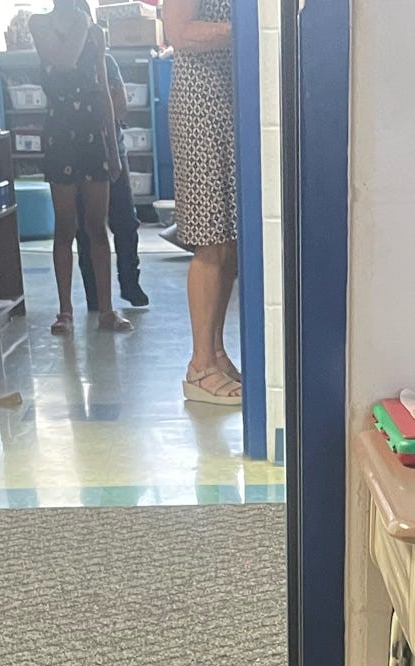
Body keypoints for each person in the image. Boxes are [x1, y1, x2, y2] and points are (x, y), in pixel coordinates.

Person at [29, 0, 132, 336]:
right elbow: (63, 60)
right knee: (64, 226)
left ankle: (106, 310)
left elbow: (102, 89)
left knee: (97, 227)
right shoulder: (39, 23)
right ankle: (65, 312)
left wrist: (113, 150)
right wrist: (81, 21)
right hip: (60, 134)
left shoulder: (94, 32)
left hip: (93, 136)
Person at [161, 0, 239, 405]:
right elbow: (179, 31)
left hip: (227, 103)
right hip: (200, 105)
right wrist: (241, 29)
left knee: (229, 242)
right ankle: (200, 364)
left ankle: (217, 352)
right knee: (209, 238)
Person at [75, 51, 149, 311]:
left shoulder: (105, 61)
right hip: (79, 155)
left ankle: (130, 283)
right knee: (86, 228)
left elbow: (120, 106)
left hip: (113, 149)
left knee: (126, 221)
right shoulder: (63, 63)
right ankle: (94, 295)